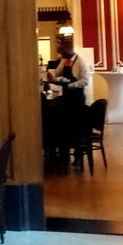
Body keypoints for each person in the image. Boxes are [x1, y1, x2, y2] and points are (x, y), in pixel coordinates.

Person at [46, 37, 90, 170]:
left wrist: (70, 85)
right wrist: (51, 75)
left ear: (69, 48)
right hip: (66, 98)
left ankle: (78, 156)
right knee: (64, 127)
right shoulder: (65, 61)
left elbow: (85, 81)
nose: (61, 54)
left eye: (62, 51)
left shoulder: (80, 62)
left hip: (76, 99)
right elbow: (58, 72)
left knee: (75, 127)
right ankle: (63, 155)